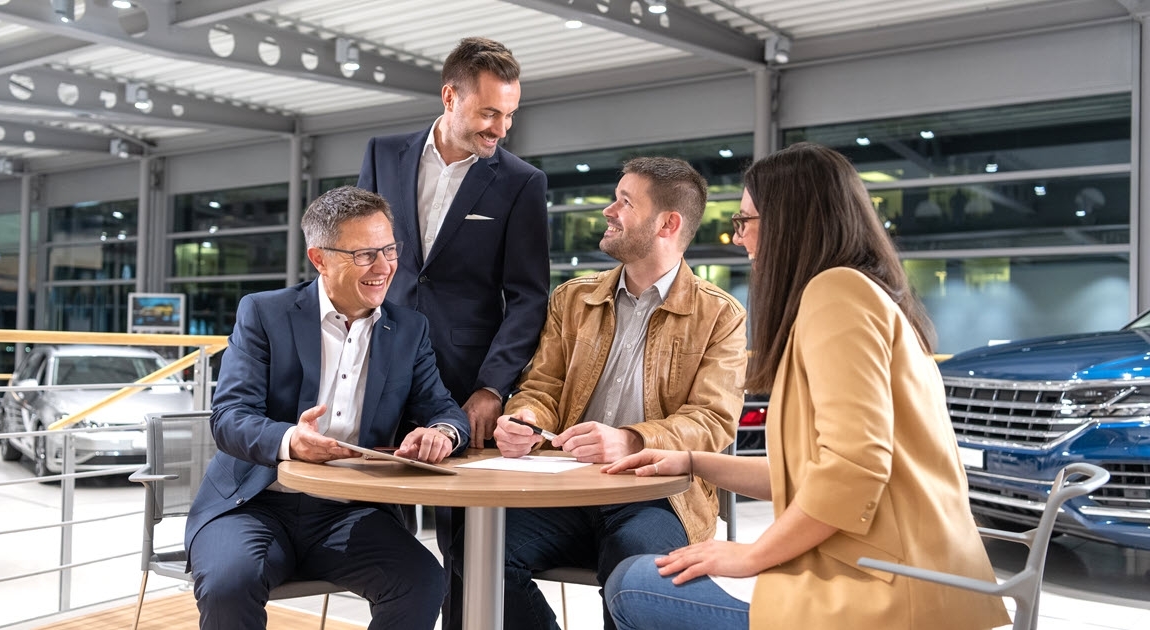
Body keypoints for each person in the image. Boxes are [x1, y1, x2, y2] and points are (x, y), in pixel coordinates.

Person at [602, 143, 1011, 630]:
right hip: (918, 585)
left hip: (890, 599)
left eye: (745, 221)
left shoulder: (837, 293)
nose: (739, 237)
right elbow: (814, 472)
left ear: (789, 224)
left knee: (631, 582)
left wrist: (751, 554)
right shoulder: (868, 293)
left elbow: (853, 470)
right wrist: (693, 461)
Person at [184, 186, 470, 630]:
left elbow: (445, 410)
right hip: (255, 503)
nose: (384, 267)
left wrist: (442, 433)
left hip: (350, 511)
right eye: (365, 255)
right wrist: (290, 441)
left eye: (389, 250)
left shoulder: (409, 329)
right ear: (319, 259)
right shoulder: (263, 313)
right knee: (229, 584)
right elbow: (229, 418)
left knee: (422, 580)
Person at [488, 157, 748, 630]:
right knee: (479, 549)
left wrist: (631, 440)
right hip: (565, 490)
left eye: (625, 202)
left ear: (667, 224)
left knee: (636, 576)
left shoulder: (720, 316)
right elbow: (541, 387)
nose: (608, 210)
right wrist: (525, 419)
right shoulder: (572, 299)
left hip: (657, 498)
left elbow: (711, 421)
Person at [357, 36, 549, 628]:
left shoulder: (520, 181)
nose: (501, 129)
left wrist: (492, 387)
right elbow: (357, 254)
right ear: (449, 96)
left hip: (465, 385)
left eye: (509, 115)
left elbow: (528, 297)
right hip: (378, 368)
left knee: (467, 544)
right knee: (377, 531)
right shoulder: (383, 154)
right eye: (490, 112)